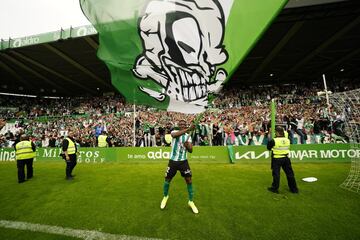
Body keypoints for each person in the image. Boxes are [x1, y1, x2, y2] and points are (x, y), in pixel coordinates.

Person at [160, 119, 198, 214]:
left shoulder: (188, 137)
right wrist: (188, 129)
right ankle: (165, 196)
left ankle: (191, 201)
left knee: (189, 180)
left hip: (183, 162)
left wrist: (187, 146)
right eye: (180, 124)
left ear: (185, 125)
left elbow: (191, 150)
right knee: (167, 179)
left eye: (183, 124)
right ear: (178, 125)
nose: (182, 125)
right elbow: (174, 136)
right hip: (173, 161)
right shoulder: (174, 132)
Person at [267, 126, 298, 194]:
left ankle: (275, 188)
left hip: (277, 158)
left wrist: (270, 135)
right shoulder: (287, 140)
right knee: (290, 174)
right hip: (286, 158)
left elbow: (268, 148)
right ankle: (294, 189)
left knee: (276, 174)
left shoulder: (274, 140)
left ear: (277, 132)